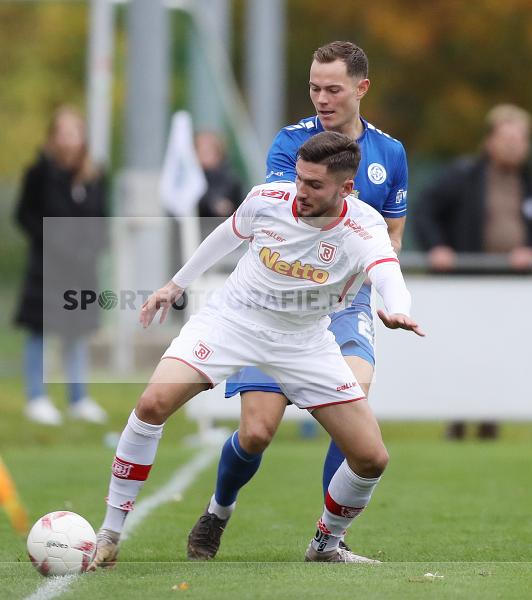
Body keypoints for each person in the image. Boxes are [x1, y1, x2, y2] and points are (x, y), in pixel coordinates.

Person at [90, 132, 423, 567]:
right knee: (153, 403)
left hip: (304, 341)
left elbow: (387, 272)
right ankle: (109, 535)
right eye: (300, 179)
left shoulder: (363, 227)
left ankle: (325, 544)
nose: (300, 192)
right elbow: (225, 237)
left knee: (371, 457)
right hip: (232, 320)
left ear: (346, 189)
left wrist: (398, 309)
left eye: (314, 186)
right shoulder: (268, 198)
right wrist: (175, 285)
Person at [186, 40, 409, 561]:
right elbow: (290, 221)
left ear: (362, 88)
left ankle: (329, 540)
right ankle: (219, 509)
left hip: (346, 308)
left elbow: (393, 232)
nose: (322, 98)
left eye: (333, 89)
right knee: (258, 431)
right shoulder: (290, 144)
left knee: (353, 410)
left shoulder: (391, 154)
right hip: (279, 305)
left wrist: (383, 280)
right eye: (314, 88)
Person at [414, 104, 532, 440]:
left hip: (510, 288)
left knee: (499, 354)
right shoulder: (464, 175)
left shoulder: (530, 183)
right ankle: (457, 420)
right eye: (508, 138)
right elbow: (425, 210)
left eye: (521, 139)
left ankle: (490, 420)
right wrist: (437, 247)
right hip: (466, 285)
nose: (515, 145)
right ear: (490, 140)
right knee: (463, 353)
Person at [14, 107, 109, 426]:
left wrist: (93, 247)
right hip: (47, 267)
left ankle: (78, 398)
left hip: (81, 269)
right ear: (53, 138)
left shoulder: (95, 175)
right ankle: (36, 397)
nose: (70, 140)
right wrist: (51, 240)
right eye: (63, 133)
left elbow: (101, 219)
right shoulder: (39, 173)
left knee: (77, 331)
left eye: (75, 132)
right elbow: (24, 214)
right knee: (39, 329)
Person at [195, 130, 244, 237]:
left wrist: (215, 204)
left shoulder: (230, 178)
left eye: (207, 151)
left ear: (218, 153)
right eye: (200, 151)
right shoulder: (191, 178)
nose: (202, 156)